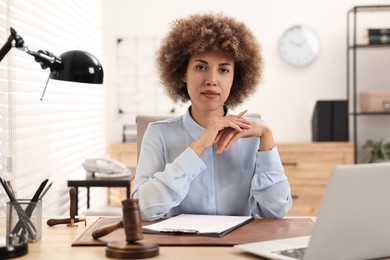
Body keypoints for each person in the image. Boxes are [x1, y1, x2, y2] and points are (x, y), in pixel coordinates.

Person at [132, 13, 292, 221]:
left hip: (239, 249)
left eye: (224, 70)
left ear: (236, 77)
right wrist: (198, 146)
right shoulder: (158, 134)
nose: (212, 80)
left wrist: (267, 136)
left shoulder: (254, 135)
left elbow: (276, 212)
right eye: (200, 67)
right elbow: (143, 209)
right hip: (181, 249)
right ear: (183, 72)